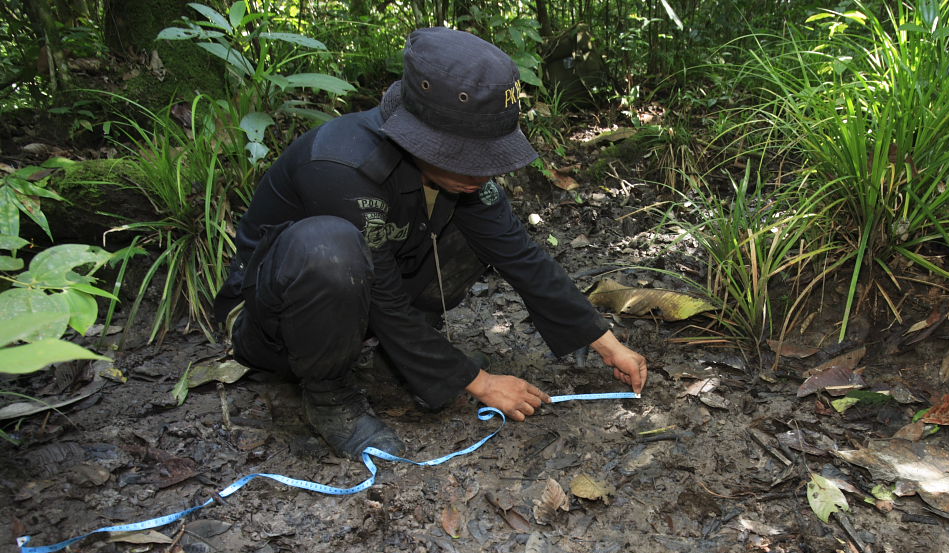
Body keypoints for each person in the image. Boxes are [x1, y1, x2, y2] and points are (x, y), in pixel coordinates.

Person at [212, 27, 648, 459]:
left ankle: (398, 359)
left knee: (481, 229)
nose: (479, 172)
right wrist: (480, 381)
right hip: (272, 324)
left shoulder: (460, 180)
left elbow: (520, 255)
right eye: (464, 156)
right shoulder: (339, 165)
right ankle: (329, 396)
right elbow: (381, 296)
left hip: (363, 309)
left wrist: (607, 343)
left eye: (487, 157)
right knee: (330, 246)